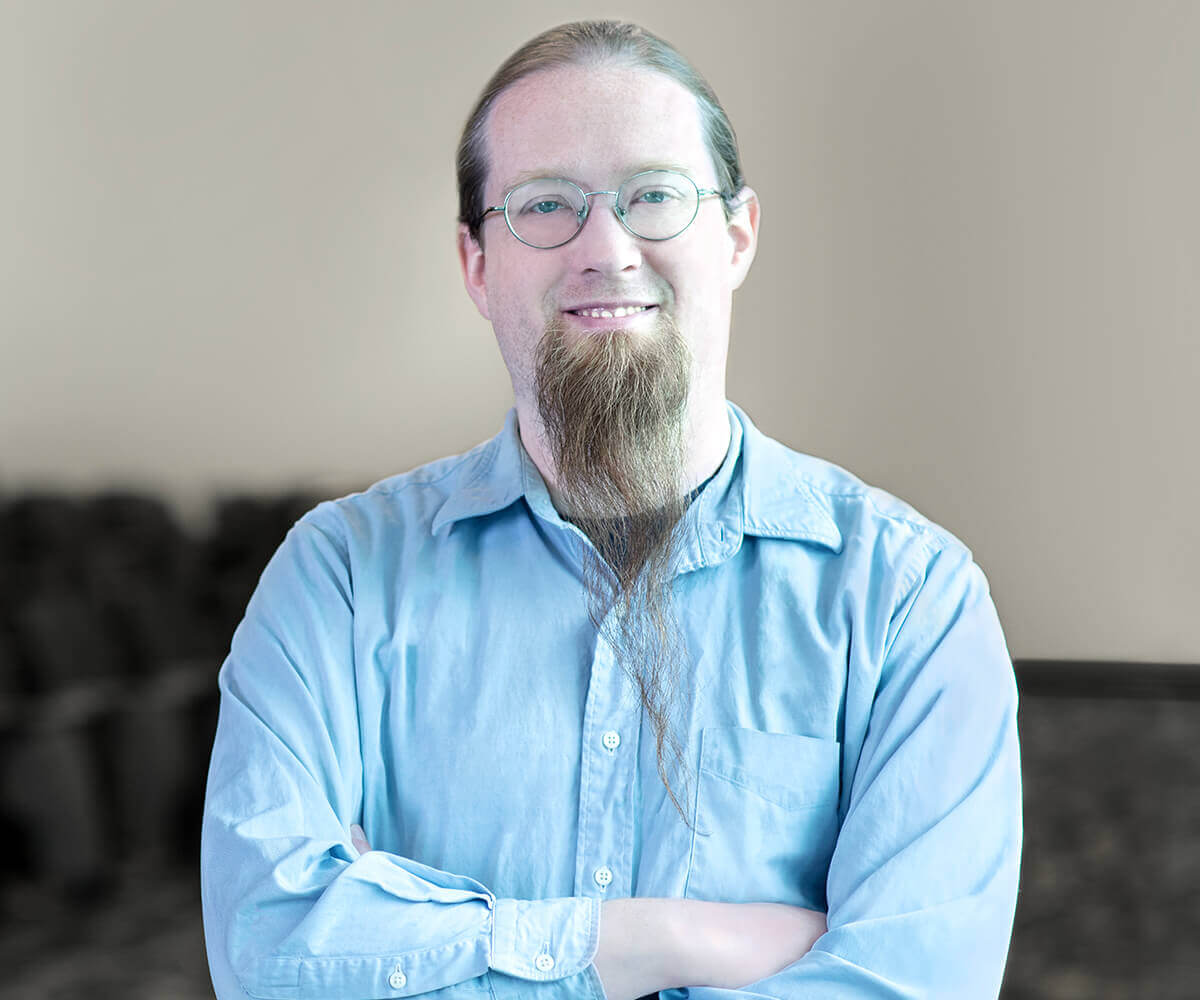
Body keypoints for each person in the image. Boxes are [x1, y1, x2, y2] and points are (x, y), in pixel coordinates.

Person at [200, 19, 1021, 1000]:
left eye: (656, 197)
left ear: (737, 237)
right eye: (546, 204)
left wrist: (422, 948)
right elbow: (268, 954)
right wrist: (647, 942)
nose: (606, 246)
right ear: (475, 263)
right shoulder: (334, 579)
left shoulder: (911, 602)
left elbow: (903, 987)